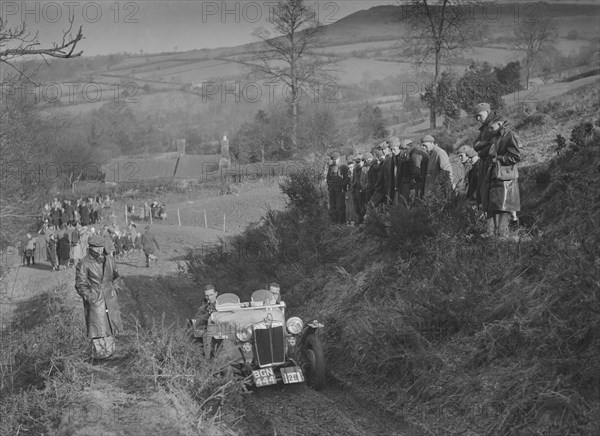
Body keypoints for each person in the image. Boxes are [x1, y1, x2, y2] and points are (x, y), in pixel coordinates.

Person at [75, 234, 123, 360]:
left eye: (101, 247)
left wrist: (115, 289)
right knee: (97, 329)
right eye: (96, 247)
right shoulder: (84, 263)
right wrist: (90, 297)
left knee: (110, 326)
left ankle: (110, 354)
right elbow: (80, 285)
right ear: (90, 247)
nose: (99, 250)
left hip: (109, 298)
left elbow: (116, 277)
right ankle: (101, 357)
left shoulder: (110, 260)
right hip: (96, 301)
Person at [483, 117, 521, 239]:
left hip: (506, 178)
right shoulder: (498, 136)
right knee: (493, 208)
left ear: (499, 124)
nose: (490, 130)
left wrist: (498, 158)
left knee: (503, 209)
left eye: (492, 127)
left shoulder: (510, 135)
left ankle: (501, 239)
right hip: (496, 175)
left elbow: (516, 157)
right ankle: (493, 237)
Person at [326, 152, 346, 224]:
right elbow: (328, 177)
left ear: (339, 158)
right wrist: (329, 184)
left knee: (340, 206)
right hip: (332, 189)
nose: (334, 161)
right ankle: (334, 222)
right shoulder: (331, 167)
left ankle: (341, 222)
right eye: (333, 159)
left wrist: (342, 186)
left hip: (340, 190)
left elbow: (346, 178)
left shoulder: (343, 166)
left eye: (336, 159)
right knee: (332, 206)